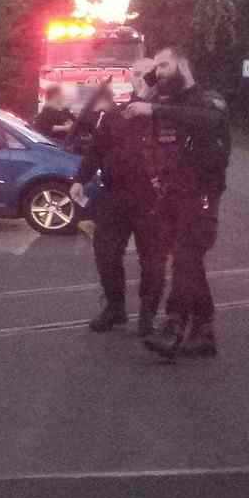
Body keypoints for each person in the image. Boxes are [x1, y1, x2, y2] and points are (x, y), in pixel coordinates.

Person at [124, 45, 231, 360]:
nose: (160, 71)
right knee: (190, 263)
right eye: (157, 67)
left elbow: (209, 120)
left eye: (165, 65)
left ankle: (173, 325)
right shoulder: (163, 100)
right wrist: (143, 94)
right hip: (172, 196)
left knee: (186, 257)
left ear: (183, 65)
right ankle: (204, 332)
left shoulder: (207, 99)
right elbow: (138, 130)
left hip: (202, 195)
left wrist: (154, 109)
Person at [68, 68, 167, 335]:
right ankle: (115, 307)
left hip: (152, 198)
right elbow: (96, 150)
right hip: (116, 194)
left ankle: (147, 315)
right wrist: (80, 179)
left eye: (144, 75)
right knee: (105, 251)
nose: (137, 79)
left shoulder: (166, 114)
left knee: (153, 259)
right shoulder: (117, 114)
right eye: (135, 75)